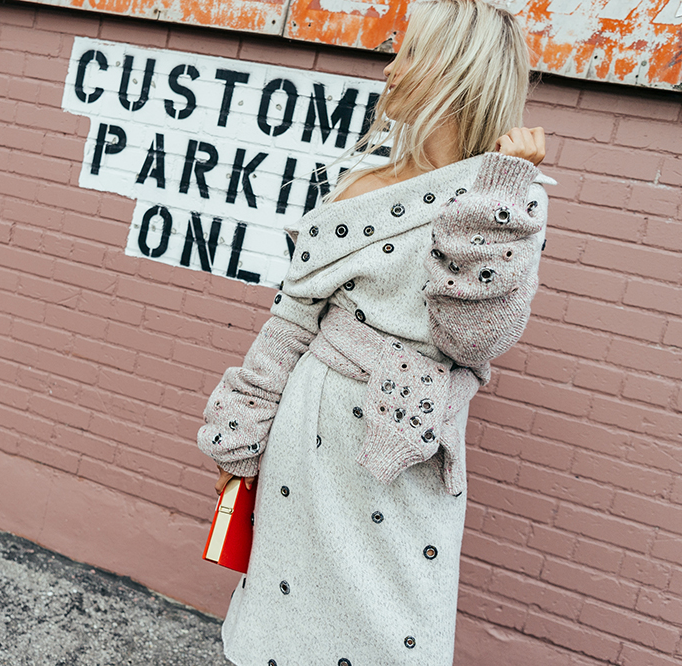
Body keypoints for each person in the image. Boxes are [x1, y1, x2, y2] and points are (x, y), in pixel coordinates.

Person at [198, 0, 551, 663]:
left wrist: (497, 203)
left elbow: (472, 341)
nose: (391, 72)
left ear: (453, 72)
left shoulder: (509, 196)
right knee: (284, 612)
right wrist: (240, 439)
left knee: (394, 628)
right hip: (312, 431)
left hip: (408, 448)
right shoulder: (361, 182)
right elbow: (291, 320)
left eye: (409, 53)